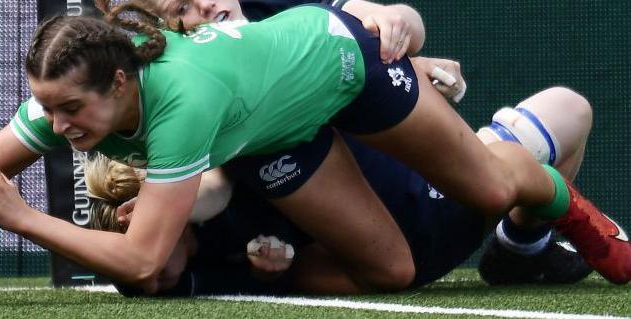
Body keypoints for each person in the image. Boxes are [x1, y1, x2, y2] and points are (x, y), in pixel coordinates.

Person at [0, 0, 630, 293]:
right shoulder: (72, 86)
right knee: (392, 274)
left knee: (494, 184)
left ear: (123, 81)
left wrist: (20, 215)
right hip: (281, 127)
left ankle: (569, 209)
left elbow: (139, 261)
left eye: (73, 110)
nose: (60, 124)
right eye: (48, 108)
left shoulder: (180, 106)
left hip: (340, 63)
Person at [119, 0, 595, 284]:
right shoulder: (198, 97)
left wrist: (398, 28)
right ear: (168, 35)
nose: (206, 5)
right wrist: (161, 208)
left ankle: (519, 250)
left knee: (569, 109)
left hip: (449, 188)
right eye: (183, 7)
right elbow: (214, 188)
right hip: (375, 246)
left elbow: (398, 21)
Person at [83, 91, 595, 296]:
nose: (145, 280)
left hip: (434, 182)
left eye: (135, 262)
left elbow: (211, 188)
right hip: (412, 239)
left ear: (139, 214)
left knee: (570, 110)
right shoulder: (192, 277)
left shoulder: (209, 162)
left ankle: (519, 248)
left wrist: (417, 66)